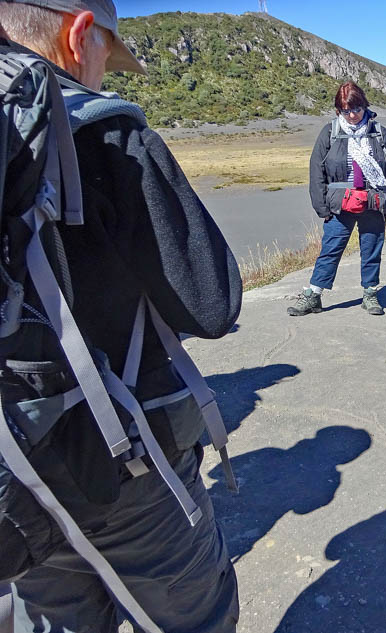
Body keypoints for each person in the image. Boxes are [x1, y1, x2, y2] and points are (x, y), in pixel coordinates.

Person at [0, 0, 242, 631]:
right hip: (126, 460)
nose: (106, 71)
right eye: (108, 52)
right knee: (197, 614)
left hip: (14, 466)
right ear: (80, 35)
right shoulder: (110, 135)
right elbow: (212, 304)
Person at [288, 81, 386, 317]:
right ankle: (313, 295)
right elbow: (316, 171)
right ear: (338, 111)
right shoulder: (329, 133)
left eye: (357, 109)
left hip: (374, 202)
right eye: (345, 111)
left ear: (364, 106)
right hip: (340, 204)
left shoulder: (379, 133)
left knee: (371, 248)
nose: (352, 115)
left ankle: (370, 294)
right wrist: (321, 207)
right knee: (331, 249)